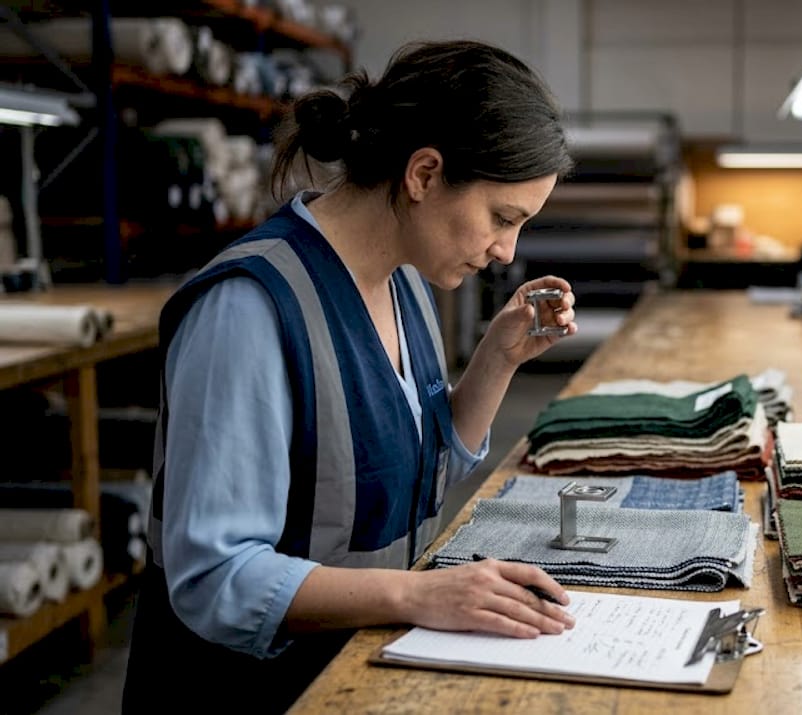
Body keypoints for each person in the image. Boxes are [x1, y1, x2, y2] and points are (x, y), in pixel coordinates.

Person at [122, 40, 579, 712]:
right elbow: (216, 576)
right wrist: (418, 595)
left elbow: (400, 481)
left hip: (346, 674)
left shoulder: (404, 285)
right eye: (501, 218)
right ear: (424, 173)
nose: (506, 250)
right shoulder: (249, 310)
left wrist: (497, 359)